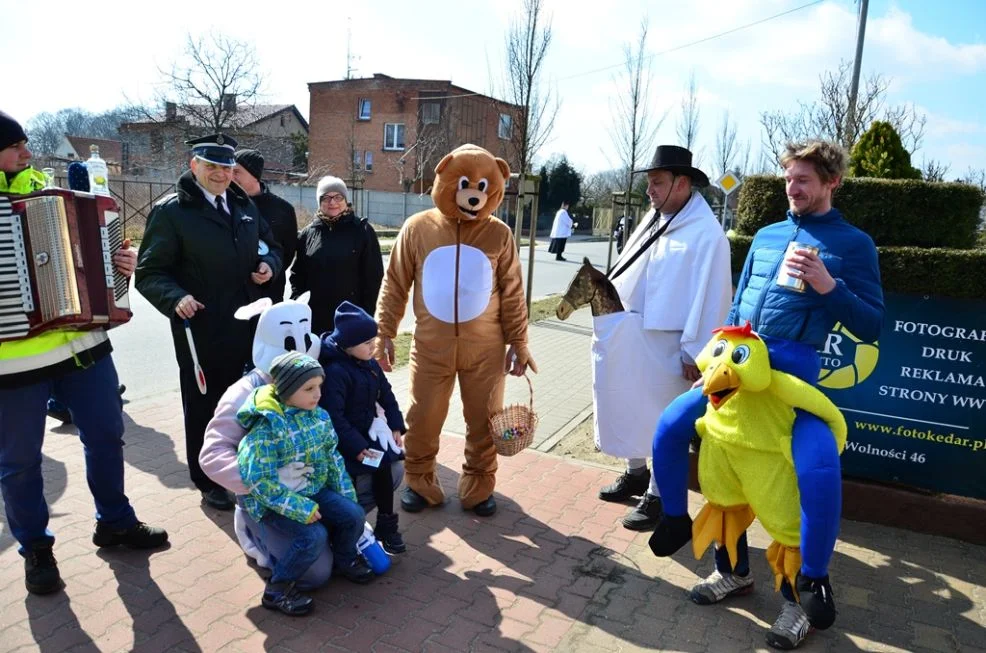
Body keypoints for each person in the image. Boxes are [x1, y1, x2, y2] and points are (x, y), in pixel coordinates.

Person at [649, 140, 884, 650]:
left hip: (792, 386)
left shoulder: (854, 244)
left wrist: (830, 286)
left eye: (803, 180)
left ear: (831, 183)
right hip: (737, 378)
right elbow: (738, 309)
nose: (792, 188)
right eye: (788, 179)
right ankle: (722, 563)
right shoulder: (769, 234)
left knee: (816, 475)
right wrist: (713, 366)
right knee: (674, 429)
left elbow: (872, 324)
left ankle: (805, 596)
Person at [0, 110, 168, 596]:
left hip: (84, 345)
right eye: (15, 147)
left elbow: (92, 255)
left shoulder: (50, 190)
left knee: (107, 435)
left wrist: (121, 265)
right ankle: (35, 548)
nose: (27, 154)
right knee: (19, 462)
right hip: (13, 361)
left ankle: (114, 522)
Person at [199, 293, 405, 588]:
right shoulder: (245, 394)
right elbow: (212, 454)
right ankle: (270, 538)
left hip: (314, 486)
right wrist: (265, 480)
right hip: (270, 496)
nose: (315, 394)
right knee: (316, 574)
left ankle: (338, 531)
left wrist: (381, 422)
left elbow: (350, 407)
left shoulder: (314, 375)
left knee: (388, 470)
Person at [375, 144, 537, 517]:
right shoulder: (418, 228)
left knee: (484, 419)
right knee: (423, 416)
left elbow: (513, 292)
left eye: (483, 186)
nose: (473, 195)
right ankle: (419, 480)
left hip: (487, 350)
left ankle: (479, 485)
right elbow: (395, 283)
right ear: (445, 177)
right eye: (465, 184)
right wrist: (385, 331)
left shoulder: (499, 235)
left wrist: (519, 341)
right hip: (431, 345)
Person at [136, 133, 282, 511]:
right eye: (212, 166)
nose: (220, 174)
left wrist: (269, 266)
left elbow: (272, 247)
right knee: (206, 405)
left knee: (245, 400)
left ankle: (241, 465)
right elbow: (149, 273)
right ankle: (207, 479)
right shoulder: (172, 212)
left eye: (226, 167)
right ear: (194, 166)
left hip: (248, 325)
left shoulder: (243, 205)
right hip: (202, 328)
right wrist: (176, 298)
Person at [594, 145, 732, 531]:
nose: (650, 191)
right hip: (636, 340)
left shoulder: (707, 236)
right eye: (650, 183)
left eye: (657, 183)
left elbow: (712, 296)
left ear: (682, 183)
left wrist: (697, 352)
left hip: (674, 351)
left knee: (663, 422)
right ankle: (636, 472)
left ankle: (658, 494)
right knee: (628, 405)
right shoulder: (655, 220)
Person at [237, 351, 372, 616]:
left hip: (312, 490)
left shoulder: (319, 417)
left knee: (353, 514)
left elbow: (332, 458)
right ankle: (278, 588)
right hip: (274, 504)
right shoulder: (266, 427)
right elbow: (258, 481)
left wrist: (347, 496)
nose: (317, 394)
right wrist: (300, 508)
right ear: (286, 390)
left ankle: (345, 560)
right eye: (309, 388)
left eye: (319, 386)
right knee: (313, 536)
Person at [320, 302, 407, 554]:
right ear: (348, 345)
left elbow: (386, 394)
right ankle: (349, 529)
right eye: (366, 342)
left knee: (387, 463)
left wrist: (395, 424)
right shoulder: (336, 372)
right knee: (369, 471)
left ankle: (386, 525)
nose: (373, 346)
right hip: (345, 441)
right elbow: (334, 418)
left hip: (366, 433)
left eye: (374, 340)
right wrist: (356, 447)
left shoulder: (369, 364)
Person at [290, 176, 383, 335]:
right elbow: (298, 275)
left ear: (346, 200)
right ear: (319, 202)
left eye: (338, 197)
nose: (332, 202)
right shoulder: (308, 234)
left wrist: (366, 317)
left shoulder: (362, 231)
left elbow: (374, 277)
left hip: (352, 320)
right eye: (326, 198)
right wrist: (299, 306)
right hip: (315, 321)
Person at [233, 149, 298, 302]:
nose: (231, 176)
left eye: (237, 172)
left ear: (254, 174)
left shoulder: (283, 209)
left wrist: (270, 269)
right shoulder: (225, 204)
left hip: (269, 293)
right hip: (234, 296)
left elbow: (287, 252)